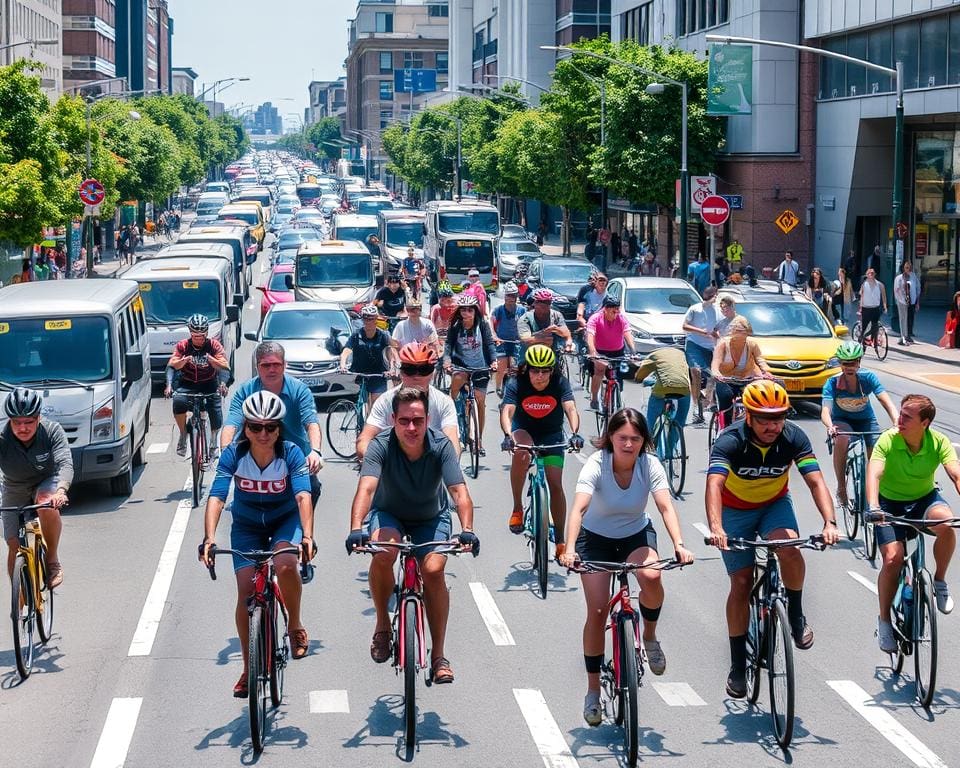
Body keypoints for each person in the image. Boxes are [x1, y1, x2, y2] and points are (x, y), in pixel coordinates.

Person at [560, 408, 694, 725]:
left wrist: (679, 544)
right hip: (595, 539)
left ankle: (649, 636)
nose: (629, 444)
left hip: (635, 534)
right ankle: (593, 692)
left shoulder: (650, 465)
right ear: (610, 438)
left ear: (643, 440)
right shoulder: (597, 464)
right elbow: (578, 509)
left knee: (651, 575)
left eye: (635, 438)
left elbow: (664, 506)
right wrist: (567, 548)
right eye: (622, 438)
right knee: (596, 612)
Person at [706, 380, 838, 698]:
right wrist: (716, 527)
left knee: (789, 548)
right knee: (740, 582)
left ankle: (795, 614)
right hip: (734, 511)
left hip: (773, 505)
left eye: (778, 417)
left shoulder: (793, 436)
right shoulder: (730, 440)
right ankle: (738, 666)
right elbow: (714, 484)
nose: (772, 425)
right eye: (764, 419)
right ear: (748, 416)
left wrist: (830, 522)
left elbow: (816, 481)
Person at [346, 387, 479, 684]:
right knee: (384, 552)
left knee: (433, 569)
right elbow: (366, 489)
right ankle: (382, 624)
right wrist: (356, 528)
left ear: (427, 419)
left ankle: (439, 655)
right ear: (393, 419)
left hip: (430, 517)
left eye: (418, 421)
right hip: (389, 513)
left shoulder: (441, 445)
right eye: (404, 420)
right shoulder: (380, 445)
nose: (411, 428)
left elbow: (459, 492)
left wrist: (468, 530)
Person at [200, 391, 316, 696]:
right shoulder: (234, 455)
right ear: (245, 429)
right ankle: (249, 668)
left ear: (279, 428)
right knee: (246, 590)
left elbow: (303, 496)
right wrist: (210, 538)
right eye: (255, 427)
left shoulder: (290, 453)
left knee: (286, 563)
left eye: (270, 427)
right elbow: (216, 496)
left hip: (284, 520)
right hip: (247, 525)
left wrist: (306, 535)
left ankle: (294, 625)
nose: (263, 434)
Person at [868, 394, 960, 653]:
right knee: (892, 560)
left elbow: (955, 473)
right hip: (888, 506)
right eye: (900, 414)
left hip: (923, 500)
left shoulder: (939, 441)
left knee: (947, 523)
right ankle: (884, 620)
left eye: (907, 417)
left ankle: (939, 581)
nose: (900, 419)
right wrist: (874, 506)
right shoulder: (888, 439)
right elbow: (874, 473)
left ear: (925, 423)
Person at [500, 345, 582, 556]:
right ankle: (517, 507)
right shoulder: (516, 382)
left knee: (555, 484)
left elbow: (571, 408)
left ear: (552, 370)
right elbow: (508, 411)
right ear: (527, 369)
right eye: (535, 370)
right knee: (522, 452)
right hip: (524, 430)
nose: (540, 376)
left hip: (552, 434)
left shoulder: (560, 382)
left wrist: (574, 433)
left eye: (545, 370)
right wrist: (508, 435)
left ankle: (561, 541)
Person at [221, 342, 324, 507]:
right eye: (266, 365)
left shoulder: (300, 390)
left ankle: (303, 530)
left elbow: (311, 423)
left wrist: (315, 452)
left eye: (276, 364)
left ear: (285, 365)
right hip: (257, 458)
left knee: (313, 488)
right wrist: (225, 452)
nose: (271, 369)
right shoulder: (245, 391)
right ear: (257, 367)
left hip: (295, 458)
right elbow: (231, 424)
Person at [0, 388, 71, 587]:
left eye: (29, 422)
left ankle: (52, 560)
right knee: (13, 544)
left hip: (46, 481)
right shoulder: (2, 438)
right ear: (10, 420)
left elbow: (65, 463)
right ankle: (20, 602)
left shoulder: (52, 431)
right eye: (17, 422)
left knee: (45, 504)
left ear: (38, 418)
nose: (22, 428)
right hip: (14, 486)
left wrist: (61, 491)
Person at [821, 341, 898, 508]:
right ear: (840, 363)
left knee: (878, 451)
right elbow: (826, 410)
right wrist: (830, 426)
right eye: (845, 363)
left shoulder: (868, 378)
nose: (850, 367)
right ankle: (841, 488)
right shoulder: (832, 383)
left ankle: (877, 492)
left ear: (859, 362)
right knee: (841, 440)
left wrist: (896, 420)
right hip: (842, 421)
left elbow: (886, 401)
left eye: (854, 363)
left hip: (866, 420)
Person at [356, 342, 460, 460]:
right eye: (409, 370)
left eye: (424, 369)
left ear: (432, 373)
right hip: (393, 467)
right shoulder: (385, 401)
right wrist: (371, 460)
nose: (416, 376)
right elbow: (365, 438)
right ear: (401, 373)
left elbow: (452, 440)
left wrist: (451, 465)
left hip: (431, 467)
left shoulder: (444, 402)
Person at [165, 314, 230, 460]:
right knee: (178, 402)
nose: (199, 339)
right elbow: (172, 366)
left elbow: (224, 367)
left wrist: (222, 383)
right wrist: (169, 385)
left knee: (215, 409)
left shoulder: (214, 346)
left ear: (206, 333)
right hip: (187, 383)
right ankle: (183, 434)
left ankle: (213, 442)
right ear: (190, 333)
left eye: (201, 336)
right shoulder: (183, 346)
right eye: (195, 336)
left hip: (209, 383)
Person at [445, 294, 497, 455]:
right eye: (463, 310)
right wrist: (447, 361)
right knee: (453, 393)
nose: (467, 313)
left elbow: (489, 344)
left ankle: (479, 441)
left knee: (480, 401)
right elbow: (448, 346)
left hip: (480, 367)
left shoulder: (482, 325)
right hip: (461, 366)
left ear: (475, 311)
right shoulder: (455, 327)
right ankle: (449, 414)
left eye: (470, 310)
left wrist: (494, 361)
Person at [711, 315, 770, 425]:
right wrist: (717, 373)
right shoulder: (723, 344)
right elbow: (716, 362)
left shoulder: (752, 344)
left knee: (757, 398)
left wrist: (766, 372)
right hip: (726, 380)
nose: (739, 333)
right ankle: (726, 428)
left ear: (748, 332)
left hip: (746, 379)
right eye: (736, 330)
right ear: (731, 331)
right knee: (726, 398)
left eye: (743, 331)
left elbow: (760, 359)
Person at [340, 304, 398, 410]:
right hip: (360, 372)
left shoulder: (383, 335)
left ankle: (373, 424)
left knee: (376, 405)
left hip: (378, 373)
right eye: (366, 318)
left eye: (371, 318)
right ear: (362, 319)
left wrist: (391, 368)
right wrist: (342, 365)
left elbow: (390, 351)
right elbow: (346, 351)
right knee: (363, 405)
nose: (368, 321)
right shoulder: (356, 335)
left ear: (376, 319)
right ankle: (361, 420)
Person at [585, 294, 637, 411]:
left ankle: (617, 395)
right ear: (606, 309)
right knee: (599, 372)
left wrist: (633, 351)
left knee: (618, 377)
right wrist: (593, 353)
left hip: (617, 351)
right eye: (614, 309)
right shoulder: (595, 318)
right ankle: (594, 398)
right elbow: (590, 336)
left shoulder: (621, 318)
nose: (616, 312)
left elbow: (627, 334)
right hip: (600, 351)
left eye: (618, 308)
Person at [682, 286, 720, 424]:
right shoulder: (695, 309)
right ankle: (696, 409)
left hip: (709, 347)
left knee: (713, 376)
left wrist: (716, 335)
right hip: (694, 344)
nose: (717, 298)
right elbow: (685, 326)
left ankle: (704, 401)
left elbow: (716, 329)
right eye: (716, 295)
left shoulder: (717, 311)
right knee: (696, 372)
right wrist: (701, 331)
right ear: (711, 296)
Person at [633, 345, 691, 435]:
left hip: (663, 389)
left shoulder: (653, 356)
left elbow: (639, 377)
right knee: (680, 420)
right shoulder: (682, 354)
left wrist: (638, 379)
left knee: (651, 418)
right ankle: (674, 442)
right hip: (684, 389)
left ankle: (647, 441)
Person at [491, 282, 526, 396]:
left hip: (517, 342)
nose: (511, 298)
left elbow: (527, 324)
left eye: (514, 295)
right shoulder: (499, 310)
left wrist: (526, 337)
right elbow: (491, 323)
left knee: (518, 366)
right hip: (502, 342)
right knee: (501, 365)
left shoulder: (522, 310)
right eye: (509, 295)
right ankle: (498, 387)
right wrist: (494, 336)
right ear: (505, 296)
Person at [518, 288, 575, 356]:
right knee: (522, 362)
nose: (545, 305)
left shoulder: (557, 315)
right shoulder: (525, 318)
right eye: (542, 303)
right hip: (529, 351)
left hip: (551, 351)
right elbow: (525, 340)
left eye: (548, 303)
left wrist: (566, 337)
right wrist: (543, 335)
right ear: (535, 303)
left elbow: (566, 332)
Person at [858, 267, 887, 348]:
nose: (871, 274)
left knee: (875, 326)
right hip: (866, 308)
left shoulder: (880, 285)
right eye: (869, 273)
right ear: (866, 275)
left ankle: (873, 341)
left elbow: (884, 296)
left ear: (875, 275)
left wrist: (885, 306)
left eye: (872, 273)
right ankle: (862, 340)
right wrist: (860, 307)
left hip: (875, 308)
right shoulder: (864, 284)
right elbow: (861, 296)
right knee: (864, 327)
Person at [893, 260, 920, 345]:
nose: (908, 269)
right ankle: (903, 336)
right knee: (903, 318)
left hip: (911, 301)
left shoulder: (913, 276)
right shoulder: (899, 278)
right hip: (902, 301)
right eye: (906, 267)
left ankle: (908, 334)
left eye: (909, 267)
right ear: (903, 268)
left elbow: (917, 288)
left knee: (910, 318)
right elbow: (896, 290)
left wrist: (917, 302)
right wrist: (899, 300)